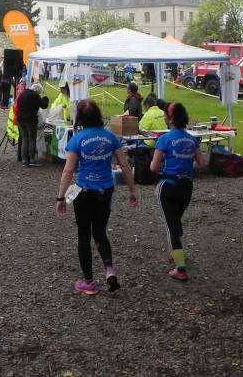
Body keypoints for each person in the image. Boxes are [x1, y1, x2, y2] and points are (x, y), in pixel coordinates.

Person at [55, 99, 138, 295]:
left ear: (80, 118)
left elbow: (68, 171)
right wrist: (132, 190)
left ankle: (88, 282)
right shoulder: (110, 137)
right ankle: (109, 269)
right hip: (105, 191)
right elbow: (124, 165)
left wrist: (60, 198)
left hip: (84, 192)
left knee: (84, 235)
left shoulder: (77, 139)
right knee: (100, 232)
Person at [150, 103, 207, 282]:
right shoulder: (192, 139)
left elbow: (153, 167)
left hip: (167, 187)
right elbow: (203, 164)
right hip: (186, 187)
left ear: (171, 119)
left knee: (171, 228)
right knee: (175, 221)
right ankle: (177, 250)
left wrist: (167, 168)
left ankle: (180, 268)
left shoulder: (164, 139)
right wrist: (186, 167)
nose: (164, 118)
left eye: (165, 116)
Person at [16, 82, 49, 167]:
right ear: (38, 91)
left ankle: (24, 160)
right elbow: (44, 105)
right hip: (31, 120)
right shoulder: (35, 96)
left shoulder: (22, 94)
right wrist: (45, 98)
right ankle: (32, 159)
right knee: (32, 139)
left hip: (21, 119)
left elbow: (17, 106)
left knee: (24, 139)